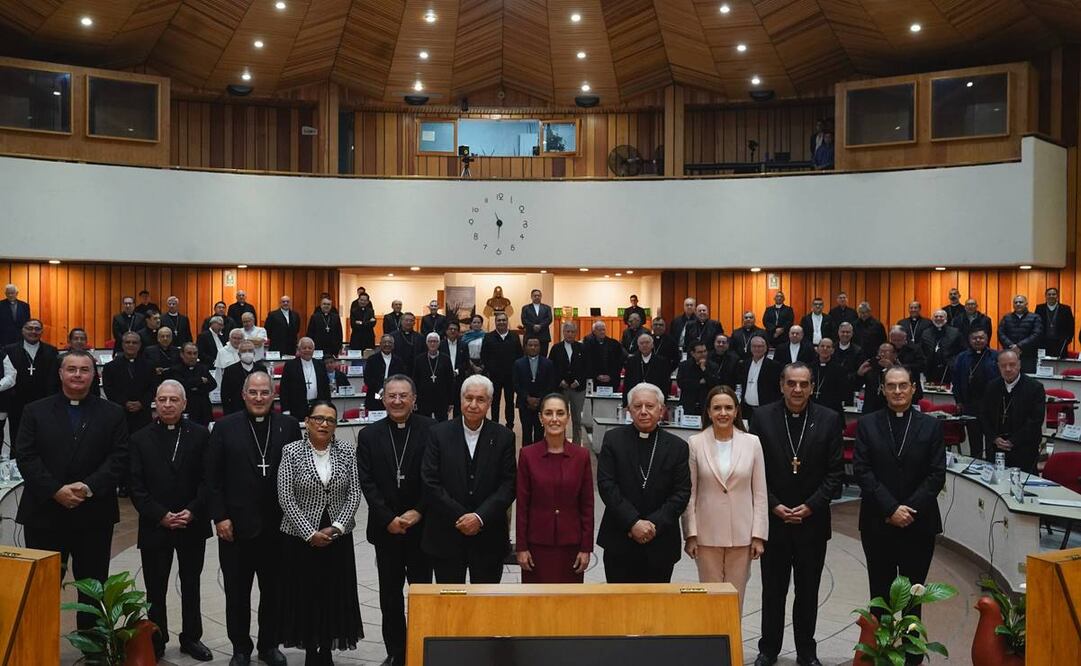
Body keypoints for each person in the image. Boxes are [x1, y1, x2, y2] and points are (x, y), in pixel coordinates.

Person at [15, 350, 127, 629]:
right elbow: (25, 456)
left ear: (94, 375)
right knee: (43, 585)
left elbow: (120, 457)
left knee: (93, 586)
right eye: (71, 369)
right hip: (45, 514)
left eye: (84, 370)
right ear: (60, 373)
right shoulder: (35, 410)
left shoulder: (112, 413)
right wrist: (55, 490)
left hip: (94, 514)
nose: (77, 375)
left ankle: (92, 648)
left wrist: (88, 487)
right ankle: (41, 648)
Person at [750, 363, 844, 666]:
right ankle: (768, 649)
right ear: (781, 385)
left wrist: (811, 505)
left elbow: (834, 474)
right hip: (774, 521)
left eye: (804, 384)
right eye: (791, 383)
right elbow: (756, 470)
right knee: (772, 591)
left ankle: (806, 650)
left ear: (812, 387)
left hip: (812, 522)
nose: (797, 389)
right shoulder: (762, 417)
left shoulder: (829, 420)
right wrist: (774, 504)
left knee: (807, 592)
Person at [205, 371, 300, 666]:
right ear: (244, 394)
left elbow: (298, 476)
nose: (259, 398)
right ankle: (241, 649)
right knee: (237, 595)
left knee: (274, 593)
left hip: (278, 529)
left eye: (264, 392)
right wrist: (220, 517)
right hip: (235, 529)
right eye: (253, 392)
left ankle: (269, 645)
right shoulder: (224, 428)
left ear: (274, 395)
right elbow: (212, 478)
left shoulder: (288, 426)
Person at [854, 366, 946, 665]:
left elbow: (936, 475)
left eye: (903, 385)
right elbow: (862, 471)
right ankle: (877, 655)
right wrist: (890, 508)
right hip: (878, 524)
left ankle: (911, 659)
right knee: (879, 597)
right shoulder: (867, 425)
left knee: (913, 599)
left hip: (918, 526)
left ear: (913, 388)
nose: (897, 391)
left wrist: (907, 509)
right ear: (882, 389)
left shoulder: (931, 427)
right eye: (891, 386)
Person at [128, 380, 213, 661]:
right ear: (155, 401)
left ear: (184, 403)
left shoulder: (201, 435)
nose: (167, 405)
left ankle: (191, 637)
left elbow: (207, 480)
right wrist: (160, 515)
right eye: (162, 399)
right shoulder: (139, 438)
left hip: (192, 523)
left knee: (191, 584)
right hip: (155, 525)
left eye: (173, 400)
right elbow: (136, 487)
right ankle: (157, 638)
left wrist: (193, 510)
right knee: (156, 588)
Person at [277, 400, 363, 665]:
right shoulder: (291, 451)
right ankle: (310, 649)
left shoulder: (347, 451)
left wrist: (337, 526)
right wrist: (308, 532)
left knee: (333, 594)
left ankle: (326, 649)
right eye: (319, 418)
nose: (325, 424)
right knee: (306, 593)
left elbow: (355, 493)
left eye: (331, 420)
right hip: (301, 537)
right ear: (307, 421)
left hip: (337, 535)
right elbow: (285, 496)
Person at [357, 376, 435, 666]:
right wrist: (387, 517)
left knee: (421, 593)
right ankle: (396, 652)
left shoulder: (432, 430)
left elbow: (435, 477)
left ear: (414, 399)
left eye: (404, 395)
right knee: (389, 595)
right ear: (383, 398)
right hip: (385, 529)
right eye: (392, 396)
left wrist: (419, 511)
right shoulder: (369, 435)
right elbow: (367, 481)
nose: (398, 401)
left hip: (421, 528)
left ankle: (421, 647)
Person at [421, 375, 516, 583]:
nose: (473, 405)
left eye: (480, 399)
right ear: (460, 399)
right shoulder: (438, 433)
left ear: (490, 403)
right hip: (446, 533)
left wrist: (479, 517)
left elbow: (508, 485)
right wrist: (463, 517)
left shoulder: (504, 437)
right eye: (468, 398)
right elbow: (430, 482)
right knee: (451, 606)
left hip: (488, 534)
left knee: (485, 607)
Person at [682, 386, 767, 611]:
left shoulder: (752, 443)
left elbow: (759, 493)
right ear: (708, 412)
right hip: (706, 534)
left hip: (742, 535)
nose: (723, 413)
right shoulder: (695, 443)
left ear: (737, 411)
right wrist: (690, 534)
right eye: (717, 408)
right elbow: (690, 493)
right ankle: (711, 645)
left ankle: (732, 646)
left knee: (734, 599)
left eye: (728, 408)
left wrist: (758, 535)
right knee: (709, 599)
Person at [597, 383, 690, 583]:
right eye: (637, 406)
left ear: (662, 410)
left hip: (661, 542)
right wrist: (633, 522)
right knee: (619, 609)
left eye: (650, 406)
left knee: (656, 611)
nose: (644, 412)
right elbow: (607, 485)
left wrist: (652, 525)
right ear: (629, 410)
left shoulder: (677, 447)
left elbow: (681, 493)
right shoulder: (613, 440)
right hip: (620, 540)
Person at [516, 393, 594, 583]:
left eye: (560, 413)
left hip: (571, 544)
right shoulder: (528, 455)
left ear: (567, 417)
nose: (554, 419)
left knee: (568, 606)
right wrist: (521, 547)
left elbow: (587, 505)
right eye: (548, 413)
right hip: (536, 544)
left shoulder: (581, 456)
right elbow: (522, 506)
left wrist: (586, 547)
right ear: (541, 418)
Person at [980, 350, 1045, 472]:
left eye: (1012, 364)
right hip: (996, 447)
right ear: (998, 367)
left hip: (1024, 448)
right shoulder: (991, 387)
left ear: (1019, 365)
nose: (1008, 369)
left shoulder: (1035, 388)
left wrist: (1013, 441)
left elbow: (1035, 421)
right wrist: (994, 438)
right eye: (1003, 366)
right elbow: (984, 416)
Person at [4, 319, 60, 445]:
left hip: (44, 401)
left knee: (43, 437)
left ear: (42, 332)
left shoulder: (51, 351)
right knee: (17, 437)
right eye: (29, 328)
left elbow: (54, 378)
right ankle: (16, 462)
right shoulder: (9, 350)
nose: (33, 331)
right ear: (22, 330)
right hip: (17, 402)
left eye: (37, 329)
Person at [952, 330, 999, 460]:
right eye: (974, 338)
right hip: (970, 404)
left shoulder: (995, 356)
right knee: (974, 438)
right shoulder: (962, 357)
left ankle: (991, 465)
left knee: (991, 438)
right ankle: (976, 464)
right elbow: (956, 380)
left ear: (987, 339)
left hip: (991, 405)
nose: (978, 340)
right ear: (969, 340)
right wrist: (958, 401)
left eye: (981, 338)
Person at [103, 331, 156, 435]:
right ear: (122, 344)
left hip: (143, 414)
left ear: (140, 345)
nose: (131, 345)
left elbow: (153, 387)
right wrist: (125, 403)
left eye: (134, 342)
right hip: (120, 413)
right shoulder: (110, 367)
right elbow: (109, 389)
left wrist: (141, 403)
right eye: (128, 342)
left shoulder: (149, 365)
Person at [480, 312, 522, 429]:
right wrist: (490, 369)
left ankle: (510, 426)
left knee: (509, 402)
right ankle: (494, 425)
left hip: (510, 376)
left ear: (507, 321)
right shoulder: (488, 337)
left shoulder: (514, 336)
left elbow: (519, 355)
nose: (501, 322)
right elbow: (484, 356)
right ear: (495, 322)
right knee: (495, 402)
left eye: (504, 320)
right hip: (495, 376)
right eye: (499, 320)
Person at [548, 321, 588, 444]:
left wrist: (579, 381)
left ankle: (576, 444)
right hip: (561, 389)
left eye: (572, 332)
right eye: (567, 331)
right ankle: (561, 442)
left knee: (577, 419)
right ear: (563, 333)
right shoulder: (556, 348)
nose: (570, 334)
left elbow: (587, 367)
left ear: (576, 333)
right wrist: (559, 381)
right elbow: (551, 368)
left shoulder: (582, 348)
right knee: (561, 416)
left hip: (578, 389)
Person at [514, 338, 555, 442]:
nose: (533, 347)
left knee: (539, 432)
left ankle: (539, 457)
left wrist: (539, 399)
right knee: (526, 432)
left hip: (542, 404)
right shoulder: (518, 363)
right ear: (526, 347)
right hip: (524, 403)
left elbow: (550, 384)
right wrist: (527, 398)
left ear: (540, 347)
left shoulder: (548, 363)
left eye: (536, 345)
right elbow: (516, 384)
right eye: (530, 345)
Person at [279, 337, 330, 419]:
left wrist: (327, 407)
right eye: (304, 348)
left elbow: (326, 388)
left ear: (313, 350)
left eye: (310, 348)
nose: (307, 350)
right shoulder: (290, 365)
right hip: (296, 409)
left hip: (317, 407)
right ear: (299, 350)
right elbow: (284, 389)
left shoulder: (320, 364)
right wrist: (286, 410)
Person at [737, 336, 781, 423]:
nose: (757, 349)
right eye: (754, 346)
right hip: (747, 408)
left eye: (760, 346)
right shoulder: (745, 364)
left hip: (765, 408)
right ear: (750, 348)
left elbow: (776, 390)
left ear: (765, 348)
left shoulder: (774, 366)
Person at [172, 342, 217, 426]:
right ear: (182, 354)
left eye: (195, 353)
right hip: (186, 409)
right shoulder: (176, 370)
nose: (192, 356)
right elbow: (181, 386)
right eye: (189, 353)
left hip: (204, 408)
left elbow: (213, 384)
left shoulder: (203, 368)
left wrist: (193, 386)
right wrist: (200, 381)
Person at [622, 332, 671, 407]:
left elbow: (665, 383)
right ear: (638, 346)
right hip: (636, 398)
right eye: (641, 343)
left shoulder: (661, 361)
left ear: (652, 345)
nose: (644, 345)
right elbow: (627, 383)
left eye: (647, 343)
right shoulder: (631, 361)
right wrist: (625, 403)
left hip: (654, 399)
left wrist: (662, 402)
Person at [414, 333, 455, 422]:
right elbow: (415, 380)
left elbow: (450, 381)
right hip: (423, 398)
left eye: (435, 341)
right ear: (426, 343)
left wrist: (451, 401)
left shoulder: (446, 359)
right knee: (423, 423)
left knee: (442, 424)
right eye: (430, 341)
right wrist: (415, 399)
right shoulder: (419, 359)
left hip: (442, 398)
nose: (432, 344)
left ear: (439, 343)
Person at [998, 295, 1043, 374]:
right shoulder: (1006, 317)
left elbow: (1036, 334)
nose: (1018, 304)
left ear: (1026, 304)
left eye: (1021, 302)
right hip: (1010, 355)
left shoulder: (1035, 317)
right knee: (1010, 377)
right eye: (1016, 302)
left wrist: (1019, 346)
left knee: (1028, 381)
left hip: (1028, 356)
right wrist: (1011, 346)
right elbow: (1001, 333)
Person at [220, 340, 268, 415]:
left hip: (258, 407)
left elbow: (267, 389)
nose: (247, 353)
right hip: (236, 410)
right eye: (244, 351)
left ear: (254, 353)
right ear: (239, 354)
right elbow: (225, 395)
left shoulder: (261, 368)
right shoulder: (230, 370)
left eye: (250, 350)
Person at [677, 342, 721, 417]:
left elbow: (714, 384)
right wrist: (699, 382)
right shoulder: (684, 365)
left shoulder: (713, 366)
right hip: (688, 403)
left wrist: (704, 369)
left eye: (705, 351)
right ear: (692, 353)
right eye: (700, 352)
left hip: (706, 404)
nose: (703, 354)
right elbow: (681, 383)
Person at [920, 310, 963, 384]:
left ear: (946, 319)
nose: (938, 318)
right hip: (930, 369)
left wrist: (953, 362)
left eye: (941, 316)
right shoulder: (926, 333)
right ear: (932, 319)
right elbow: (921, 350)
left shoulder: (955, 332)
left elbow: (961, 350)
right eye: (936, 316)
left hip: (948, 370)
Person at [440, 321, 472, 418]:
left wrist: (457, 371)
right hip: (444, 379)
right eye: (451, 329)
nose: (453, 331)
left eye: (455, 329)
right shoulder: (441, 345)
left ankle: (457, 426)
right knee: (443, 405)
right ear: (446, 331)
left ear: (458, 332)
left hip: (459, 378)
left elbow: (466, 362)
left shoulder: (463, 345)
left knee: (458, 405)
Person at [365, 335, 405, 412]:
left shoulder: (398, 361)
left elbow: (401, 378)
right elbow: (368, 379)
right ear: (380, 344)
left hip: (393, 396)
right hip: (376, 395)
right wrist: (381, 391)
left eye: (389, 342)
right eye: (384, 342)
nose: (387, 344)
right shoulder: (372, 360)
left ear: (393, 346)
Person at [858, 343, 900, 415]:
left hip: (891, 410)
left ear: (895, 355)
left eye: (886, 352)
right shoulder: (871, 368)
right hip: (870, 411)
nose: (882, 354)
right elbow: (855, 386)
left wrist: (891, 369)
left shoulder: (901, 370)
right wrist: (859, 374)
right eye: (880, 352)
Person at [582, 320, 624, 390]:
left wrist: (610, 376)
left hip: (611, 381)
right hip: (594, 381)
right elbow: (586, 363)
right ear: (594, 331)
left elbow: (618, 363)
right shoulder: (587, 345)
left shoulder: (614, 344)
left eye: (603, 329)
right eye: (599, 330)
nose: (602, 332)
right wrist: (597, 376)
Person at [810, 338, 848, 414]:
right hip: (812, 407)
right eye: (822, 346)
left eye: (828, 347)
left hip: (831, 409)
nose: (825, 349)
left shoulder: (839, 369)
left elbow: (842, 392)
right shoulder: (809, 368)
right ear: (817, 349)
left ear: (832, 350)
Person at [1037, 286, 1074, 358]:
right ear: (1046, 296)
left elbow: (1071, 326)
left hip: (1060, 343)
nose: (1051, 296)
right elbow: (1037, 325)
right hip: (1043, 343)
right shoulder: (1039, 308)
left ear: (1057, 296)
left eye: (1053, 294)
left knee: (1060, 365)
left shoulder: (1066, 309)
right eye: (1049, 294)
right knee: (1044, 364)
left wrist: (1067, 340)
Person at [64, 328, 100, 395]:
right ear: (69, 341)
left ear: (86, 342)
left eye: (82, 339)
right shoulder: (61, 359)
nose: (79, 341)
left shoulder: (90, 359)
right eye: (76, 339)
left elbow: (95, 384)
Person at [520, 289, 553, 356]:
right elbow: (524, 320)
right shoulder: (525, 308)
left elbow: (549, 319)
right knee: (528, 356)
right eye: (535, 295)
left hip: (543, 336)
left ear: (541, 296)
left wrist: (540, 326)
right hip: (530, 336)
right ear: (531, 297)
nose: (537, 297)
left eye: (538, 295)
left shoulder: (547, 308)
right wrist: (533, 326)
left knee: (543, 357)